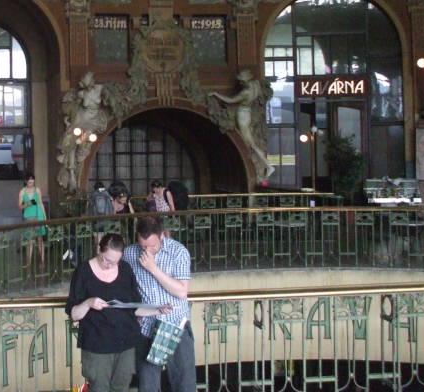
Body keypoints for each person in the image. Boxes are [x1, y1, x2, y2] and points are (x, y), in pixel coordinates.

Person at [66, 233, 170, 392]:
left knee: (122, 387)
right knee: (99, 387)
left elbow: (134, 307)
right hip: (97, 343)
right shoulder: (83, 271)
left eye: (114, 262)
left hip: (125, 341)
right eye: (105, 260)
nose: (108, 265)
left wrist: (157, 309)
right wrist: (88, 303)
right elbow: (74, 313)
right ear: (99, 250)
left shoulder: (125, 269)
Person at [123, 216, 196, 392]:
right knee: (147, 385)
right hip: (146, 327)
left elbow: (181, 291)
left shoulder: (178, 252)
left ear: (162, 236)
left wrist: (153, 269)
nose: (147, 250)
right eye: (143, 246)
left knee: (184, 383)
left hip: (175, 325)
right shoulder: (129, 254)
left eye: (152, 246)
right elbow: (124, 288)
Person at [209, 69, 274, 180]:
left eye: (241, 80)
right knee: (250, 142)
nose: (240, 82)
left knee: (248, 143)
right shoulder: (256, 85)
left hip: (242, 115)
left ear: (245, 80)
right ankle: (267, 165)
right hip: (248, 113)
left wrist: (216, 94)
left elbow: (230, 100)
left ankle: (268, 165)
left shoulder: (245, 92)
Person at [18, 174, 47, 268]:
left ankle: (42, 261)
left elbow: (41, 203)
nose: (31, 183)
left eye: (33, 181)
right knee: (29, 240)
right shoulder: (22, 192)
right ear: (26, 181)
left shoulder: (37, 190)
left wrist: (45, 216)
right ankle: (28, 262)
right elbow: (19, 207)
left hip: (38, 216)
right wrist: (28, 203)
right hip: (28, 217)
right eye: (29, 182)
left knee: (39, 239)